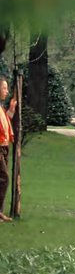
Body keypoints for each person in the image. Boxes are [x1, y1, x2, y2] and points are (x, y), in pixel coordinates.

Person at [0, 78, 16, 222]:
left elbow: (5, 124)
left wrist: (11, 110)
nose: (7, 91)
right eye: (4, 88)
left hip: (4, 148)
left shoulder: (1, 108)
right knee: (4, 178)